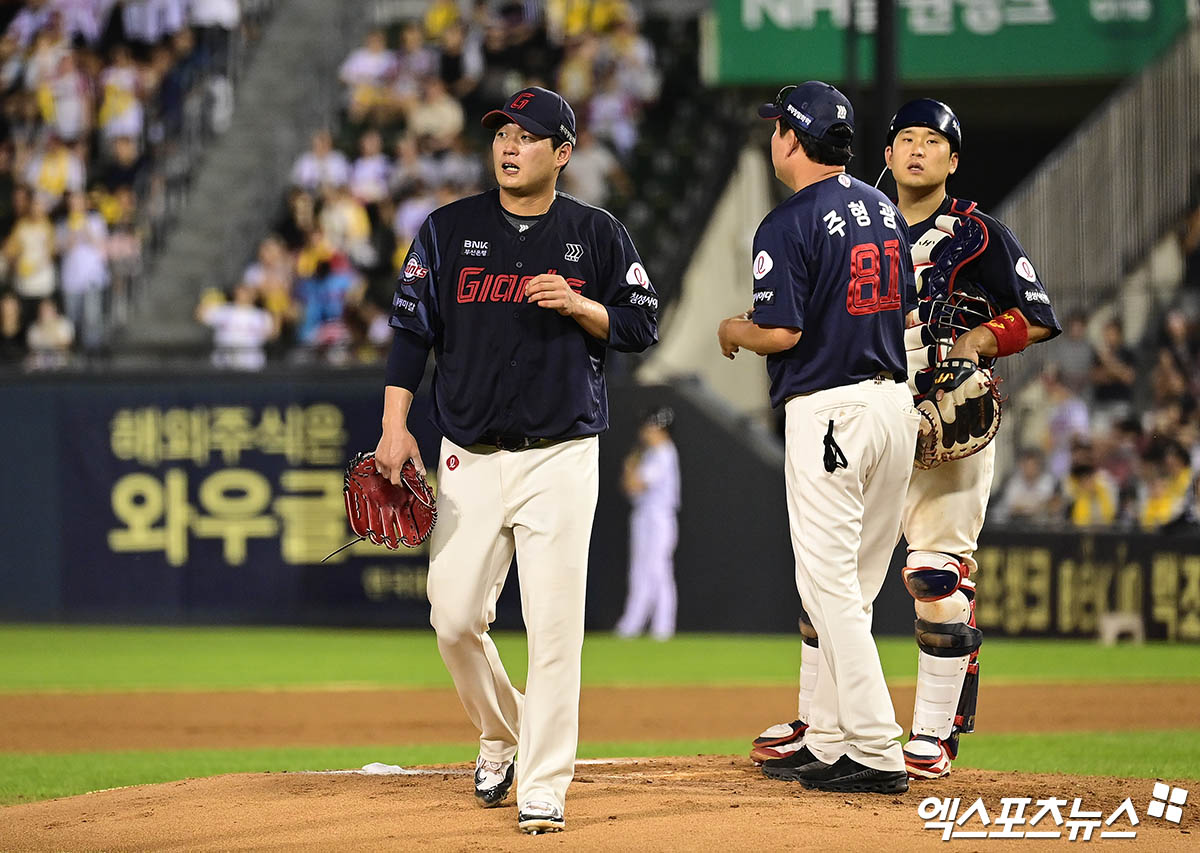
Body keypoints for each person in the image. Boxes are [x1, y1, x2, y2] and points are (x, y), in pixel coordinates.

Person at [748, 98, 1063, 782]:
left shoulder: (976, 234)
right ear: (885, 155)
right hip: (880, 411)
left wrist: (979, 341)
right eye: (906, 139)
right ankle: (822, 724)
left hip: (948, 422)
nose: (918, 150)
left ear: (954, 160)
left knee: (935, 576)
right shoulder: (862, 219)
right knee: (828, 581)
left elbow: (1036, 315)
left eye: (933, 141)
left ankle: (933, 731)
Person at [374, 86, 658, 834]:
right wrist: (395, 427)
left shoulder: (595, 233)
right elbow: (410, 332)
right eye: (503, 132)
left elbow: (642, 322)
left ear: (562, 153)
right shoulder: (448, 228)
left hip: (560, 455)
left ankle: (544, 784)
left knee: (555, 628)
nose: (509, 145)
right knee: (452, 617)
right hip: (467, 454)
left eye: (528, 136)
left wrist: (581, 305)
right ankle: (504, 730)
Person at [718, 81, 920, 794]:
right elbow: (905, 311)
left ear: (793, 139)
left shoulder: (786, 222)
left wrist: (734, 329)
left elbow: (782, 331)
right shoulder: (884, 210)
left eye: (778, 126)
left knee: (827, 586)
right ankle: (831, 737)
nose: (772, 136)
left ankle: (876, 747)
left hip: (831, 409)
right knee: (852, 591)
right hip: (893, 406)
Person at [615, 405, 681, 641]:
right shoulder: (652, 453)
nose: (643, 430)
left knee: (656, 572)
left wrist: (630, 467)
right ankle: (642, 626)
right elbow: (628, 488)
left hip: (658, 518)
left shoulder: (663, 452)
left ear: (659, 428)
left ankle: (656, 627)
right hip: (645, 515)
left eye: (648, 426)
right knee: (645, 571)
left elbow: (635, 484)